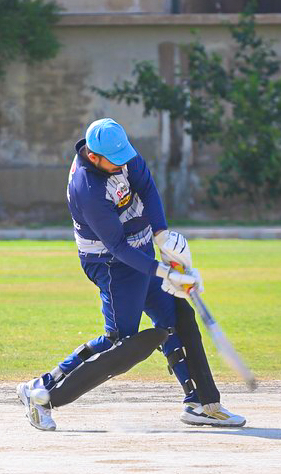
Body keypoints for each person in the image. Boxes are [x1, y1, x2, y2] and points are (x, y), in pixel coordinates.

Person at [16, 118, 246, 430]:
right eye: (116, 160)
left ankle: (201, 404)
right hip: (111, 264)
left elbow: (147, 188)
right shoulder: (88, 188)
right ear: (93, 157)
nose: (124, 163)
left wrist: (162, 236)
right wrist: (164, 271)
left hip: (141, 252)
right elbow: (118, 247)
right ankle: (41, 391)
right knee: (119, 342)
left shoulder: (118, 152)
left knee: (177, 319)